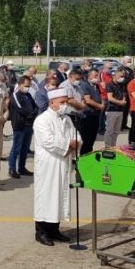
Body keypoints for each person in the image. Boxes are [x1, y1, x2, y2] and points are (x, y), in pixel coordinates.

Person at [32, 88, 81, 246]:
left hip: (63, 163)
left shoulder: (66, 119)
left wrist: (75, 143)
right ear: (51, 103)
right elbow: (49, 142)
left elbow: (76, 135)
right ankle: (42, 232)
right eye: (62, 102)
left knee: (60, 197)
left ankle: (54, 230)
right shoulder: (42, 120)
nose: (64, 105)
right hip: (49, 166)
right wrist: (69, 145)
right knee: (46, 197)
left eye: (66, 102)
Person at [9, 76, 37, 178]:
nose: (27, 88)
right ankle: (12, 169)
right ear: (20, 85)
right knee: (16, 148)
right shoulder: (15, 95)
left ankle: (22, 168)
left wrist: (32, 114)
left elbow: (35, 107)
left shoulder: (28, 95)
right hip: (19, 125)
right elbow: (20, 109)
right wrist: (29, 113)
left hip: (29, 125)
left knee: (25, 148)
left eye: (28, 86)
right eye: (25, 86)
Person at [79, 69, 104, 154]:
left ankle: (89, 156)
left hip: (96, 115)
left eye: (97, 75)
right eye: (95, 76)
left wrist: (102, 104)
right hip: (88, 115)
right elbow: (88, 100)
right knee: (86, 139)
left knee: (92, 138)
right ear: (89, 76)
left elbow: (100, 97)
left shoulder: (96, 86)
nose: (97, 78)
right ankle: (83, 158)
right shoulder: (85, 85)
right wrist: (99, 106)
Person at [104, 70, 127, 147]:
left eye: (123, 76)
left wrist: (123, 100)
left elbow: (124, 94)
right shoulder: (110, 85)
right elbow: (110, 98)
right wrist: (120, 102)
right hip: (112, 110)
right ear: (114, 76)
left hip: (120, 110)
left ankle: (113, 146)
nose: (122, 78)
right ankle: (107, 147)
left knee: (116, 131)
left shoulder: (122, 85)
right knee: (109, 131)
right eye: (120, 76)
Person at [119, 56, 134, 130]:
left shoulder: (130, 70)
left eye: (130, 61)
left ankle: (124, 124)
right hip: (122, 92)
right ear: (124, 61)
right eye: (128, 61)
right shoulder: (120, 69)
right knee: (122, 109)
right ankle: (120, 125)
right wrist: (128, 79)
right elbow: (121, 80)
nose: (130, 63)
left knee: (126, 110)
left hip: (129, 92)